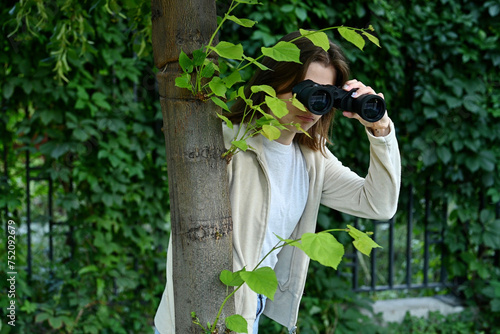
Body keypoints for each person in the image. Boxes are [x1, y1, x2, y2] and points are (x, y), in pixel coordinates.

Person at [154, 30, 401, 334]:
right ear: (274, 81)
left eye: (323, 96)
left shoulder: (313, 159)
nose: (311, 107)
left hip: (249, 308)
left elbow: (379, 204)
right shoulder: (226, 143)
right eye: (304, 90)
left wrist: (380, 127)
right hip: (198, 316)